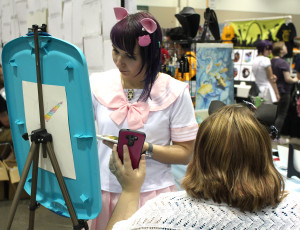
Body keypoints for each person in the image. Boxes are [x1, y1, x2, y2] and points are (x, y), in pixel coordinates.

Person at [106, 101, 300, 229]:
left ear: (200, 153)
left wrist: (130, 190)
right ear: (263, 155)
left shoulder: (162, 212)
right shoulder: (293, 212)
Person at [89, 7, 198, 230]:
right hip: (103, 191)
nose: (119, 62)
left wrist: (146, 148)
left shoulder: (174, 92)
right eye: (115, 51)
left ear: (150, 55)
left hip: (154, 196)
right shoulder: (98, 84)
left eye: (129, 56)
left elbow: (187, 153)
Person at [271, 41, 300, 143]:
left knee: (275, 114)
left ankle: (272, 135)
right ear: (281, 50)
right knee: (281, 115)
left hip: (274, 91)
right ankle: (275, 137)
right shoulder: (283, 63)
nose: (287, 48)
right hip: (284, 91)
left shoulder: (271, 61)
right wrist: (296, 80)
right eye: (284, 47)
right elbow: (288, 79)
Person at [0, 64, 13, 160]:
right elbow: (6, 122)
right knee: (23, 135)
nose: (4, 77)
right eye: (1, 75)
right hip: (2, 131)